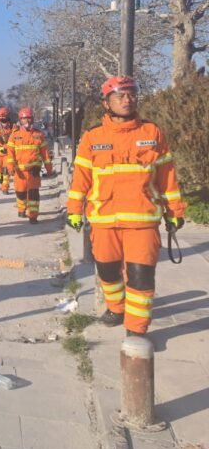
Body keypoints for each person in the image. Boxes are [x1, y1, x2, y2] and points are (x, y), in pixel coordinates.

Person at [66, 76, 185, 335]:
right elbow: (80, 179)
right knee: (107, 272)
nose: (127, 99)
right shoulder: (92, 136)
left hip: (142, 221)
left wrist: (175, 212)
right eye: (120, 95)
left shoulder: (152, 133)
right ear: (106, 102)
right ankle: (116, 308)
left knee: (141, 277)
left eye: (131, 94)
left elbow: (167, 176)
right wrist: (74, 210)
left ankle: (137, 328)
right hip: (104, 221)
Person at [6, 107, 53, 223]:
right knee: (21, 193)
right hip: (20, 172)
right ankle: (21, 208)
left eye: (29, 119)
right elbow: (10, 153)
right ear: (20, 120)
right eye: (24, 119)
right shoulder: (14, 136)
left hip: (34, 170)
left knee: (33, 193)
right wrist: (10, 167)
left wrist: (49, 168)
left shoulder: (39, 135)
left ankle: (33, 215)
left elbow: (45, 154)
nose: (27, 121)